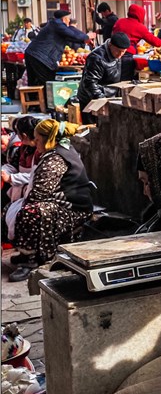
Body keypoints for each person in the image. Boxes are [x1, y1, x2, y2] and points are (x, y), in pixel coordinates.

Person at [9, 119, 94, 282]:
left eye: (38, 139)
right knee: (16, 209)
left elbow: (38, 194)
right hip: (65, 203)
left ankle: (35, 260)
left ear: (47, 139)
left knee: (30, 212)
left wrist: (24, 202)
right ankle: (27, 253)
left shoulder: (56, 158)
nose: (36, 143)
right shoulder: (59, 150)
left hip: (74, 209)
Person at [23, 9, 92, 87]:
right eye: (68, 18)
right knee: (48, 81)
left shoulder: (54, 25)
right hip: (40, 57)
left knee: (34, 83)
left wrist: (84, 41)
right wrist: (87, 36)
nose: (69, 21)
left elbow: (70, 39)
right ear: (64, 19)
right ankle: (45, 98)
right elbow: (72, 34)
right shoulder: (58, 24)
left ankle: (34, 98)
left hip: (32, 54)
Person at [2, 116, 41, 246]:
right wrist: (4, 172)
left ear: (24, 135)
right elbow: (12, 165)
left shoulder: (41, 150)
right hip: (20, 190)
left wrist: (12, 178)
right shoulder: (22, 149)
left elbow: (36, 175)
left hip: (35, 193)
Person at [77, 32, 129, 119]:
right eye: (118, 51)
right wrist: (101, 100)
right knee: (93, 128)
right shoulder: (96, 57)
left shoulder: (117, 55)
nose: (120, 55)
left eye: (123, 52)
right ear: (110, 45)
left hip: (109, 97)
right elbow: (90, 82)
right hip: (92, 99)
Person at [112, 4, 161, 81]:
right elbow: (153, 41)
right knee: (125, 80)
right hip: (127, 55)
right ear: (141, 15)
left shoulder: (119, 22)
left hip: (113, 54)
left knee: (114, 78)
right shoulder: (139, 27)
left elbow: (113, 34)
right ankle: (122, 92)